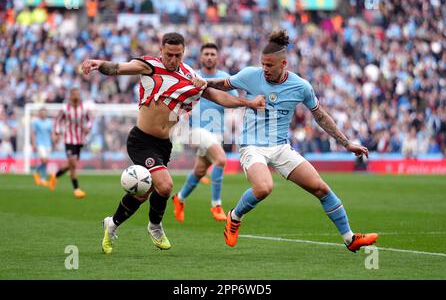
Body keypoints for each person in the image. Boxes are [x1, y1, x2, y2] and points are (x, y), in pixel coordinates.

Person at [81, 32, 265, 253]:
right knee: (166, 185)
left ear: (183, 52)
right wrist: (98, 64)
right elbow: (119, 67)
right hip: (141, 140)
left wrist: (249, 103)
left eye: (177, 55)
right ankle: (155, 226)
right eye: (169, 55)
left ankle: (112, 224)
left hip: (163, 144)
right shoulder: (149, 65)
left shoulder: (191, 76)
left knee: (144, 192)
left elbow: (218, 97)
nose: (173, 60)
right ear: (162, 51)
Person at [206, 30, 378, 252]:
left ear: (283, 63)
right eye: (263, 64)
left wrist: (346, 143)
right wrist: (199, 82)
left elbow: (321, 116)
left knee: (321, 188)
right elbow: (221, 84)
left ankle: (350, 238)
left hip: (280, 147)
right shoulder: (250, 75)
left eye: (269, 65)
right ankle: (235, 216)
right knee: (264, 187)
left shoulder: (301, 86)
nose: (265, 69)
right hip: (252, 146)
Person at [172, 43, 237, 222]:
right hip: (197, 130)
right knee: (221, 160)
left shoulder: (225, 78)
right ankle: (216, 205)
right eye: (206, 54)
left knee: (200, 171)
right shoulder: (193, 77)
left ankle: (179, 198)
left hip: (217, 133)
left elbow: (235, 100)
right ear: (201, 57)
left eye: (212, 54)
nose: (209, 57)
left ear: (217, 57)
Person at [49, 88, 93, 199]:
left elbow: (89, 120)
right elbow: (57, 121)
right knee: (72, 164)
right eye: (74, 94)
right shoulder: (65, 109)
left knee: (71, 164)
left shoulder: (84, 108)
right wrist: (57, 133)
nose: (76, 96)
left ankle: (55, 176)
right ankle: (76, 189)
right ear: (70, 96)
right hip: (68, 140)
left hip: (80, 140)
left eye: (78, 94)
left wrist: (88, 128)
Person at [31, 107, 53, 186]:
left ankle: (42, 178)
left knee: (46, 162)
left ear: (46, 113)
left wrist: (54, 142)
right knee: (43, 160)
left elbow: (51, 133)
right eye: (41, 112)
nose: (43, 114)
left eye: (44, 112)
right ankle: (38, 173)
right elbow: (33, 133)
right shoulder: (36, 122)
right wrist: (34, 144)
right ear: (39, 114)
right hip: (40, 143)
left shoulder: (50, 122)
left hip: (48, 144)